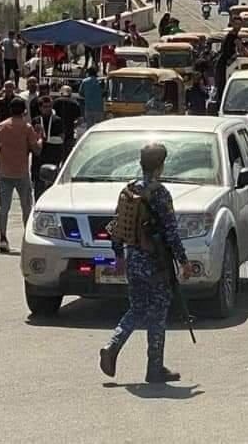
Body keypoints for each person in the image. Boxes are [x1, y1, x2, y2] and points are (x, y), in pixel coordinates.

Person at [100, 143, 192, 383]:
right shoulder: (160, 193)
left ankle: (112, 346)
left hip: (133, 258)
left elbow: (117, 227)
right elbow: (171, 233)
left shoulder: (129, 190)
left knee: (138, 308)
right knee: (158, 311)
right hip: (155, 261)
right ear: (161, 166)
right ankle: (155, 368)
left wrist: (119, 257)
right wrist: (183, 262)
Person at [0, 97, 43, 253]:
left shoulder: (2, 126)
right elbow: (36, 150)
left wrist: (2, 160)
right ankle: (28, 239)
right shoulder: (27, 128)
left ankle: (3, 238)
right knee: (26, 208)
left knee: (4, 208)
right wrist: (40, 137)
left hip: (5, 172)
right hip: (22, 172)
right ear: (24, 111)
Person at [31, 95, 65, 197]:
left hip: (53, 156)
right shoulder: (36, 121)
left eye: (50, 106)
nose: (48, 109)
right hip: (39, 158)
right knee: (38, 185)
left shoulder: (57, 120)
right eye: (45, 107)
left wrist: (47, 139)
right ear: (40, 108)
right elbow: (32, 138)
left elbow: (61, 138)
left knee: (52, 185)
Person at [214, 16, 244, 103]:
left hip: (227, 62)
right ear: (232, 24)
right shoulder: (231, 36)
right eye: (236, 24)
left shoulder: (236, 36)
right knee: (223, 85)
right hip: (223, 63)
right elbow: (239, 49)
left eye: (239, 24)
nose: (238, 26)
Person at [53, 85, 82, 156]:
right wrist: (74, 126)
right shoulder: (75, 103)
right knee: (68, 153)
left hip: (57, 131)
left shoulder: (55, 102)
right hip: (69, 131)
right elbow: (80, 120)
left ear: (61, 92)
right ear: (70, 93)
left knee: (57, 152)